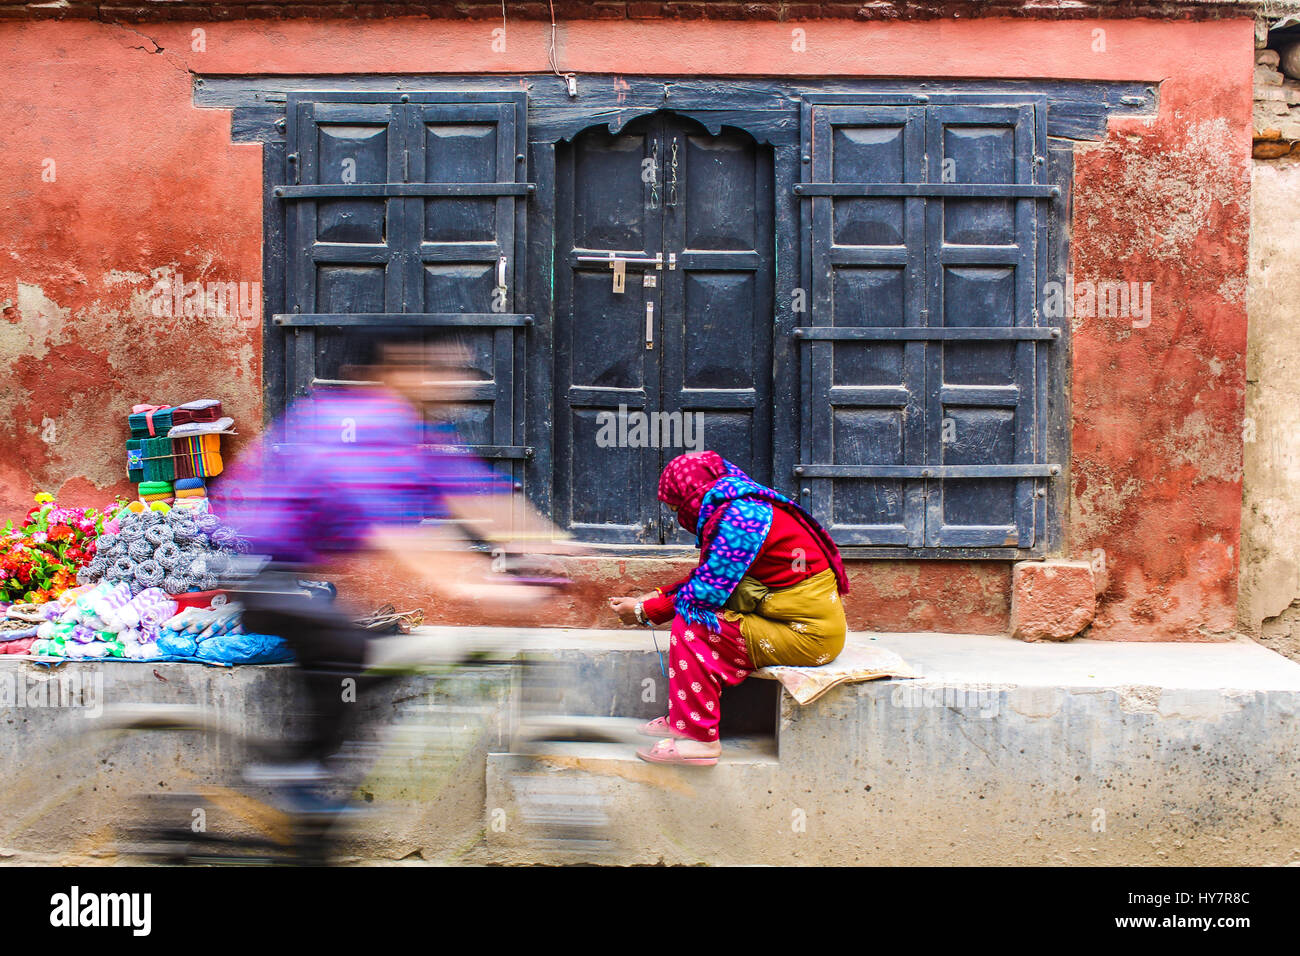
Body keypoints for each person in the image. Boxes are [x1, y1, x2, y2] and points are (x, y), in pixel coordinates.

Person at [212, 332, 567, 794]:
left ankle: (315, 768)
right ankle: (293, 779)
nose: (453, 383)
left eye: (456, 371)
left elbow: (483, 495)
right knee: (346, 647)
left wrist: (557, 545)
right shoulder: (364, 427)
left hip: (301, 575)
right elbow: (400, 534)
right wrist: (475, 587)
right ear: (391, 373)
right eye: (436, 370)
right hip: (255, 566)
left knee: (364, 651)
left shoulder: (418, 434)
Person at [609, 451, 850, 766]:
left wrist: (644, 611)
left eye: (676, 508)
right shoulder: (737, 507)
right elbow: (708, 576)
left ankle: (697, 741)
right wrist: (648, 600)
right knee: (694, 617)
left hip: (808, 636)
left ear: (692, 498)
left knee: (694, 628)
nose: (679, 517)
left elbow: (703, 595)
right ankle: (684, 719)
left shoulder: (742, 520)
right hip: (788, 622)